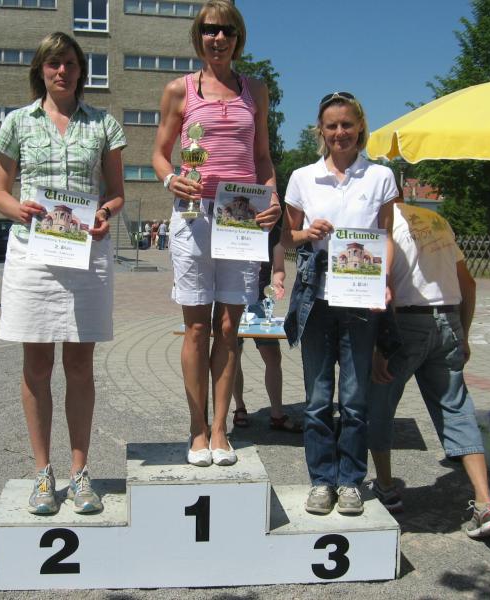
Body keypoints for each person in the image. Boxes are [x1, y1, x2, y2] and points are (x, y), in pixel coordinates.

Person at [0, 32, 126, 515]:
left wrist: (104, 212)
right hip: (33, 255)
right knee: (37, 365)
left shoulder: (104, 124)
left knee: (80, 365)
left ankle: (80, 471)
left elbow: (116, 192)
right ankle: (43, 473)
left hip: (85, 254)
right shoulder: (16, 122)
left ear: (80, 69)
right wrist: (18, 208)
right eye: (53, 63)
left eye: (69, 62)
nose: (62, 71)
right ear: (41, 69)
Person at [152, 0, 281, 467]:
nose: (218, 38)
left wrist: (273, 197)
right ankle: (197, 429)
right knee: (196, 326)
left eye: (227, 30)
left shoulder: (256, 91)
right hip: (193, 215)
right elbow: (160, 154)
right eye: (209, 30)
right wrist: (171, 178)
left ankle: (222, 428)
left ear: (238, 37)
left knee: (229, 327)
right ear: (198, 36)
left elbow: (262, 156)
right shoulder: (179, 91)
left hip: (240, 215)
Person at [282, 92, 398, 515]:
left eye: (347, 124)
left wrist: (385, 282)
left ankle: (350, 481)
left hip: (360, 298)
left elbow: (388, 238)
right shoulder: (302, 177)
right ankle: (321, 481)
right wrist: (306, 233)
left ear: (360, 127)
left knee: (353, 399)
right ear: (321, 130)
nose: (339, 133)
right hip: (315, 296)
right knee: (316, 400)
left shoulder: (381, 176)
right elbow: (285, 237)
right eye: (331, 126)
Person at [367, 200, 490, 539]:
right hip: (448, 320)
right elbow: (468, 284)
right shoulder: (436, 219)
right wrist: (464, 334)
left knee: (379, 403)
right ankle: (484, 500)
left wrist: (379, 347)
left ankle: (386, 487)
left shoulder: (383, 222)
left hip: (405, 321)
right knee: (456, 408)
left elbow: (383, 286)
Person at [232, 227, 302, 433]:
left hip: (260, 301)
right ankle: (239, 407)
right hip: (230, 297)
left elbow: (278, 266)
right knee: (232, 355)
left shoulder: (272, 232)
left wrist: (278, 280)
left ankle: (277, 413)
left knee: (272, 356)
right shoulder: (230, 225)